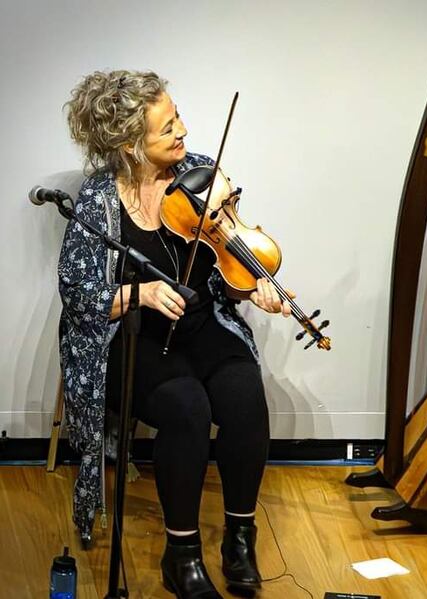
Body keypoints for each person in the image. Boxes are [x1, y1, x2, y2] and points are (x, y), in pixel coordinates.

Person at [59, 70, 290, 597]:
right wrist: (139, 294)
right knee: (187, 409)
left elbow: (229, 267)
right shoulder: (98, 199)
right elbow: (77, 294)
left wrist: (254, 289)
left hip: (203, 323)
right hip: (135, 337)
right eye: (167, 128)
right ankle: (181, 554)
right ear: (129, 144)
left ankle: (240, 538)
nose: (183, 131)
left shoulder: (202, 175)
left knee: (244, 398)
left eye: (178, 116)